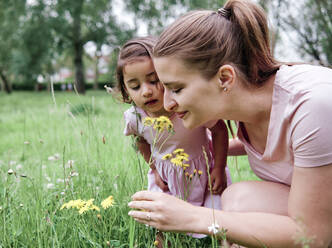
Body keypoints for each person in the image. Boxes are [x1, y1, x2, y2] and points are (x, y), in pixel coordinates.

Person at [127, 0, 332, 247]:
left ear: (225, 78)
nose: (167, 103)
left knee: (237, 209)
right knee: (238, 199)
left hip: (320, 229)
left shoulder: (314, 105)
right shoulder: (248, 101)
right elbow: (282, 144)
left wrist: (193, 217)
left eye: (177, 88)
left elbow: (315, 236)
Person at [116, 37, 232, 239]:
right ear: (126, 90)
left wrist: (219, 167)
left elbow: (220, 129)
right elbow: (140, 140)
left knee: (217, 218)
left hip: (203, 175)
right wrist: (154, 168)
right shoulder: (135, 117)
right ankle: (166, 240)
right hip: (166, 179)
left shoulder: (186, 107)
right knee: (161, 221)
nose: (146, 91)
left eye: (154, 81)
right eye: (135, 86)